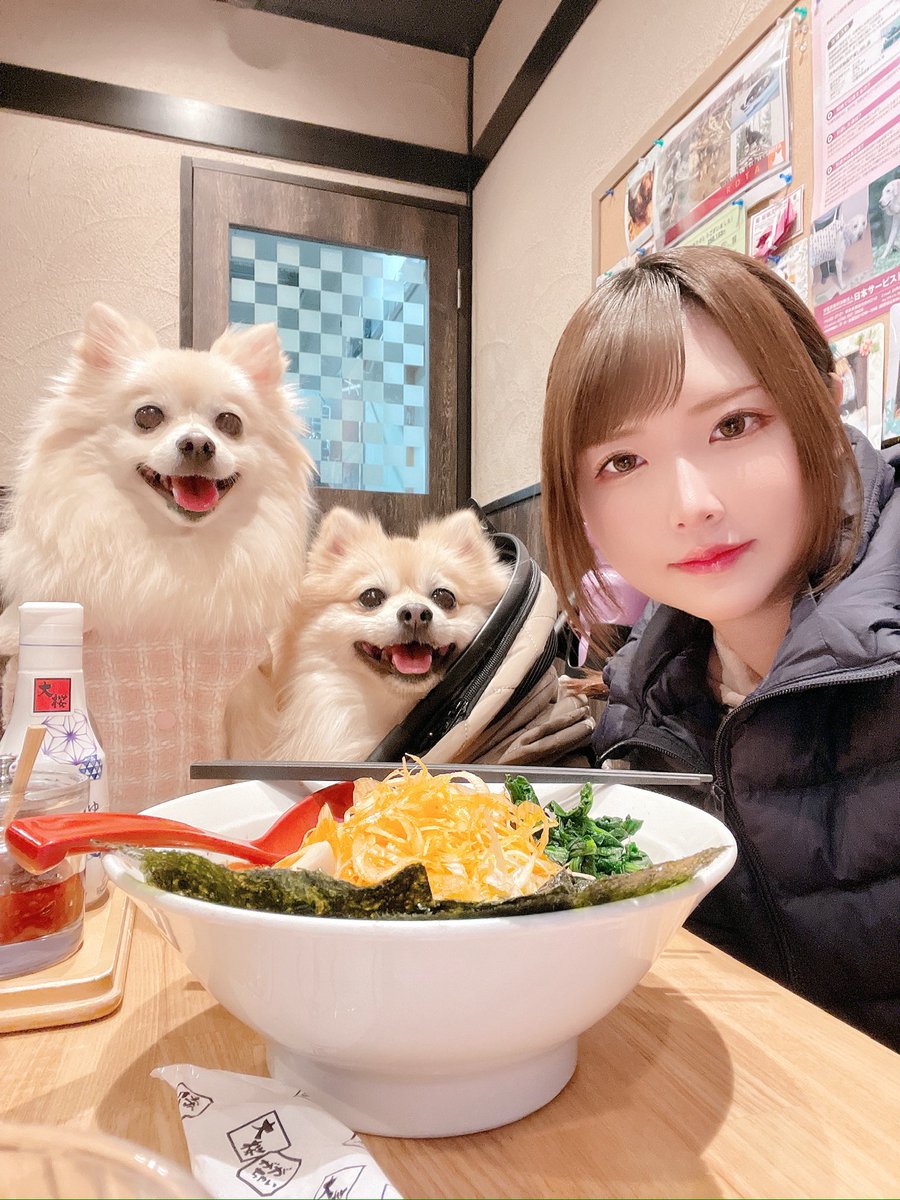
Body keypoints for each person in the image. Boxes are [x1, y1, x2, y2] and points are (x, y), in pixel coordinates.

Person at [541, 246, 899, 1049]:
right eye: (623, 460)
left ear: (826, 400)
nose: (691, 504)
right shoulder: (643, 707)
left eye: (734, 425)